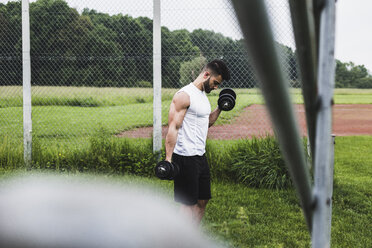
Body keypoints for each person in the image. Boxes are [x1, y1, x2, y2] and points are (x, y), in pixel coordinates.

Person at [165, 59, 230, 225]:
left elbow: (207, 122)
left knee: (202, 201)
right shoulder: (184, 95)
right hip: (185, 157)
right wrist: (168, 159)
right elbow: (173, 128)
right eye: (215, 83)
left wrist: (221, 107)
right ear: (206, 75)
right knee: (188, 205)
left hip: (200, 157)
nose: (216, 87)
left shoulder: (202, 96)